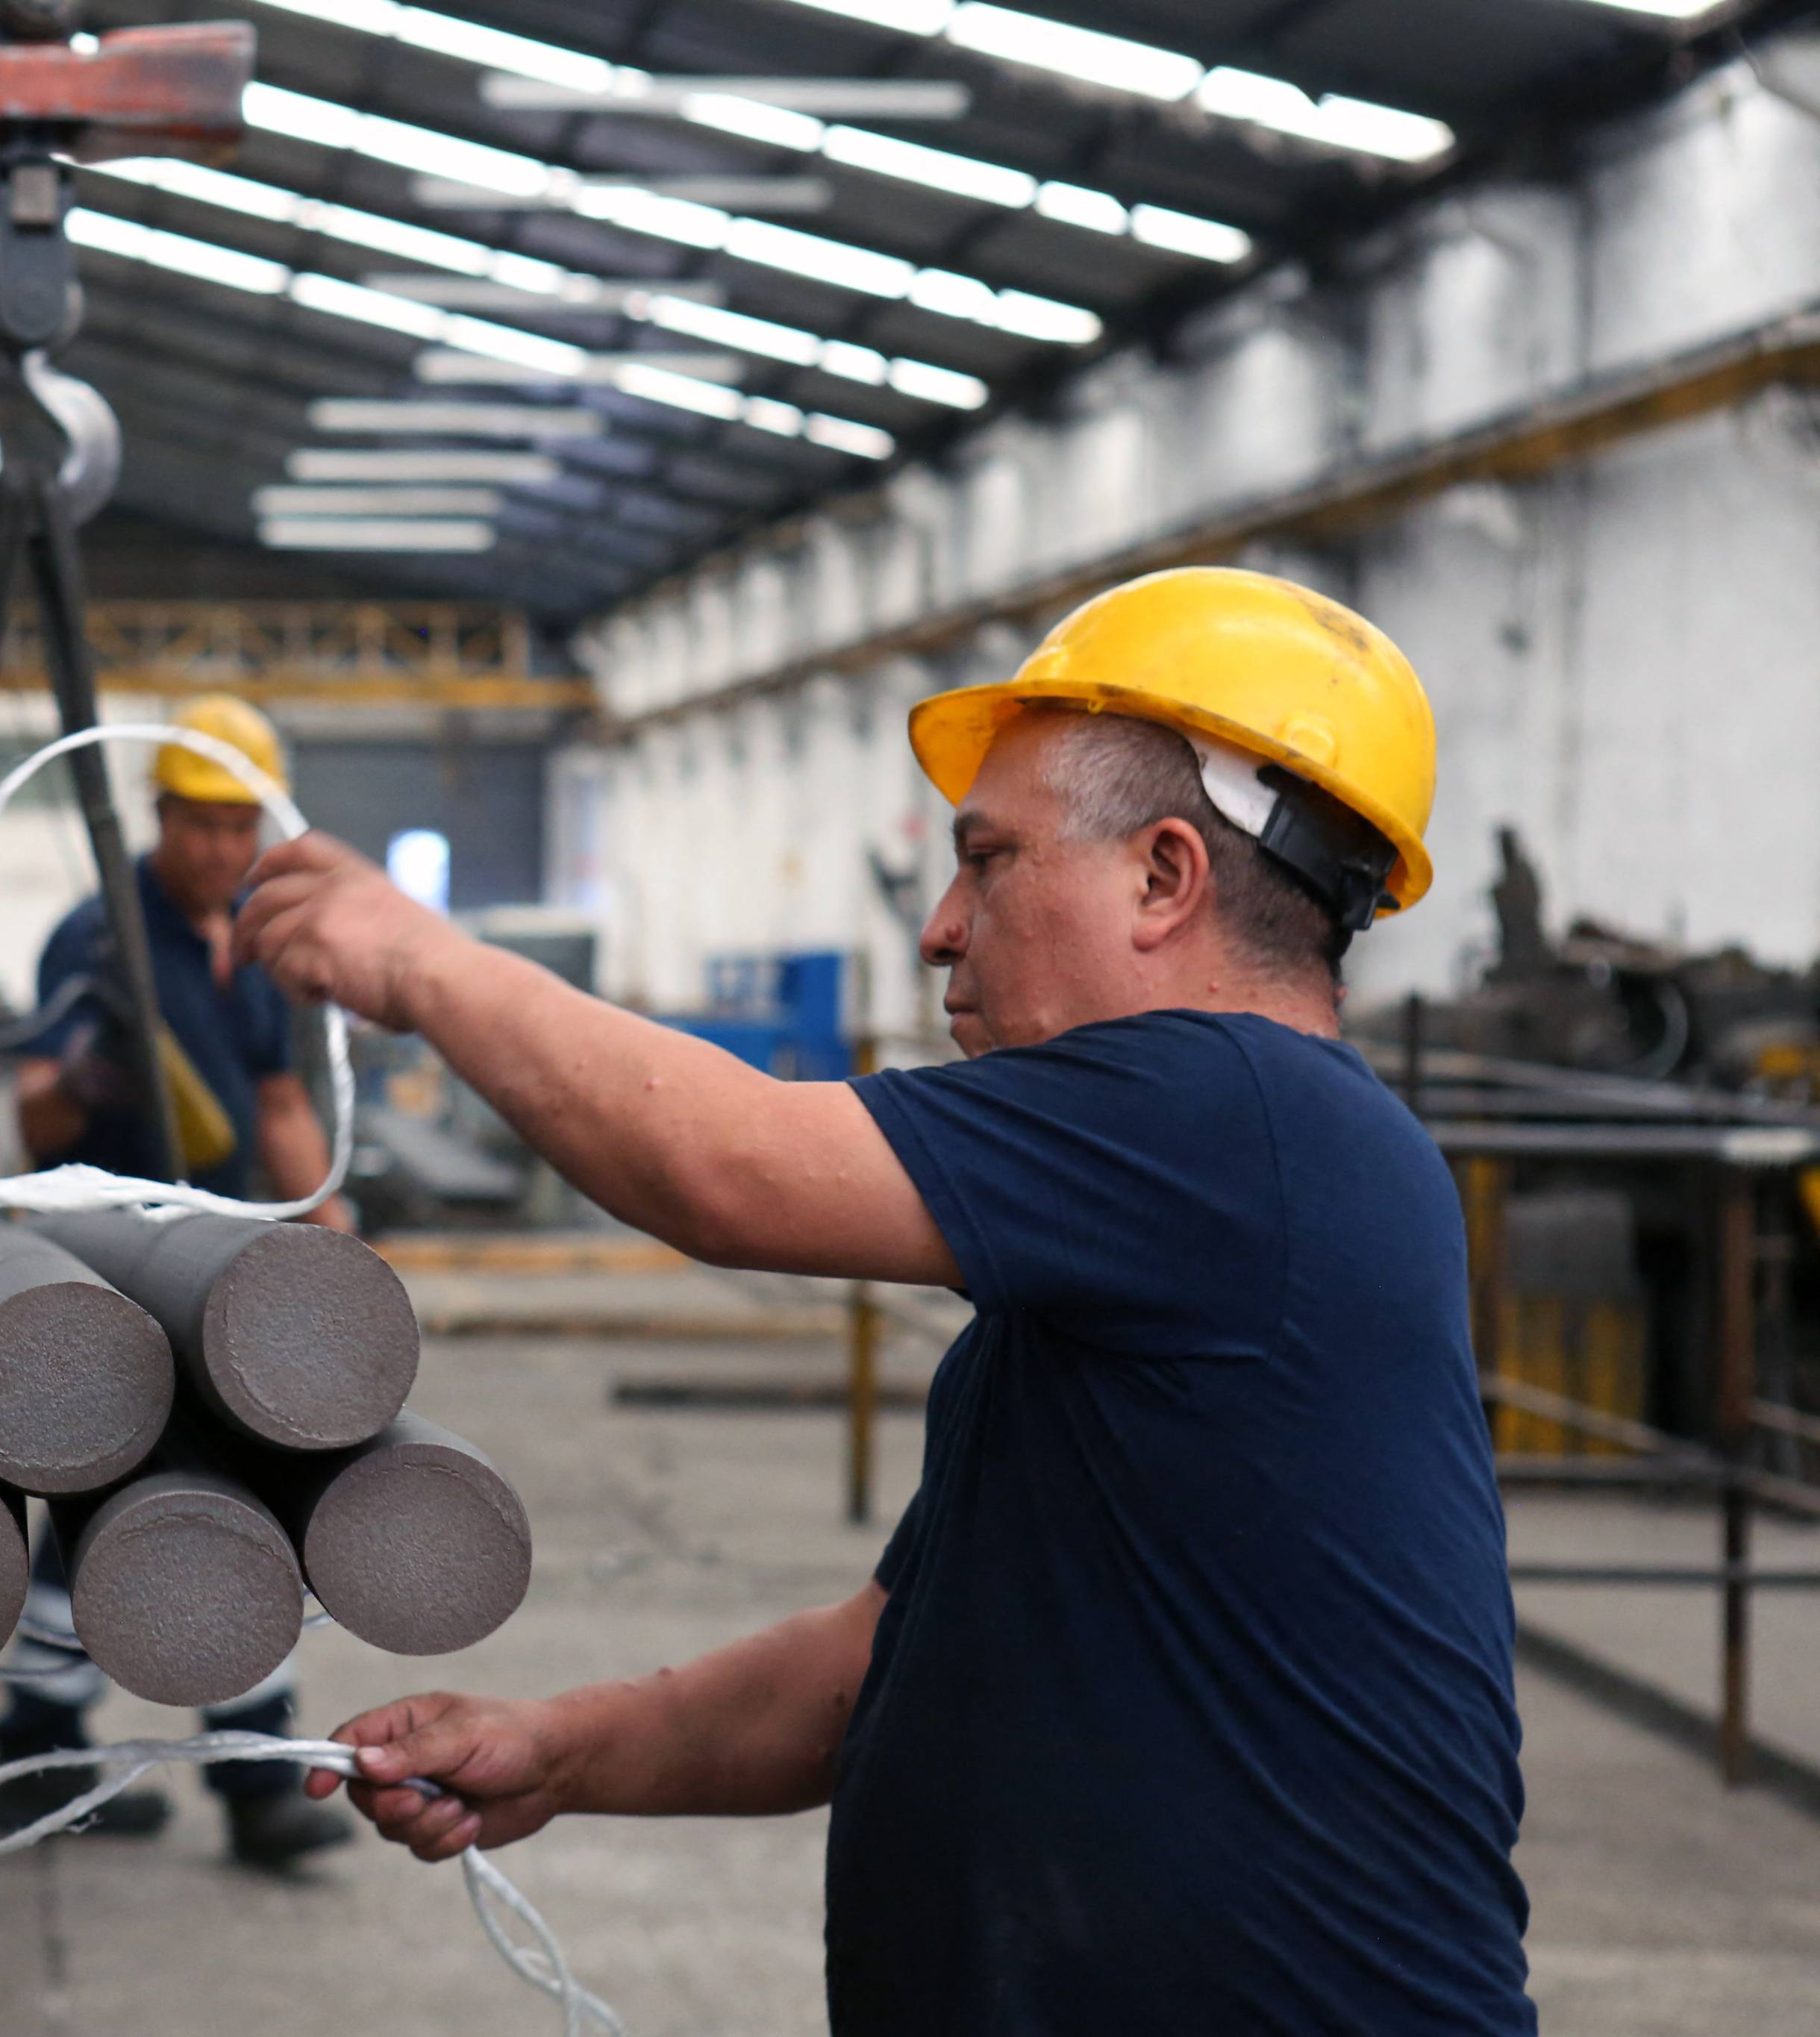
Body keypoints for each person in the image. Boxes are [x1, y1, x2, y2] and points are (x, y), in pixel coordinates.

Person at [237, 569, 1536, 2033]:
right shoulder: (1157, 1214)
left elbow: (723, 1166)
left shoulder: (1238, 1114)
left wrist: (418, 958)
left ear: (1164, 877)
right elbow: (885, 1661)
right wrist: (558, 1751)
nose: (937, 928)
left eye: (986, 861)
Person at [0, 694, 357, 1871]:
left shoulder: (250, 942)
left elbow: (282, 1101)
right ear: (156, 815)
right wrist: (82, 1078)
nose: (219, 849)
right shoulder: (96, 937)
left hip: (219, 1270)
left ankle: (224, 1768)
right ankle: (50, 1757)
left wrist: (334, 1232)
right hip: (101, 1269)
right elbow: (31, 1109)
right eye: (199, 823)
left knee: (235, 1497)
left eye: (239, 824)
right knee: (104, 1506)